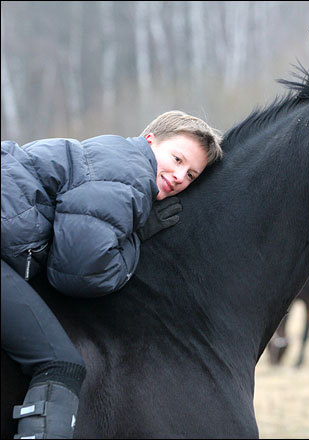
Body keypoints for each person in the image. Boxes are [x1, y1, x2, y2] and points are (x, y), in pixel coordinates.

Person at [1, 110, 223, 439]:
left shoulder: (108, 157)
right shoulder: (129, 173)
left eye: (190, 175)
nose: (179, 176)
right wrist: (137, 238)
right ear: (150, 141)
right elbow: (80, 270)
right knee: (60, 365)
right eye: (176, 158)